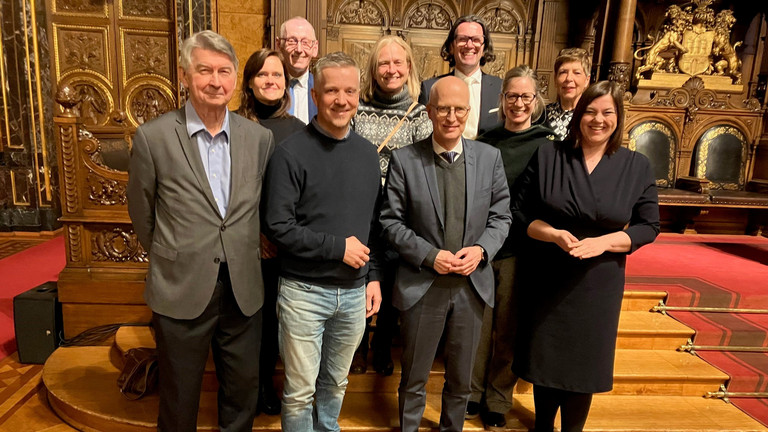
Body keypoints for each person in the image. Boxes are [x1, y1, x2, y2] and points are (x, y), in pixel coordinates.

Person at [127, 30, 275, 432]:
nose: (215, 80)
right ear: (184, 75)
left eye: (224, 71)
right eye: (204, 70)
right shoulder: (154, 137)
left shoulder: (259, 139)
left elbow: (261, 207)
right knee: (179, 397)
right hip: (181, 285)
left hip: (243, 288)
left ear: (235, 78)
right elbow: (142, 213)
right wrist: (176, 252)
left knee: (242, 391)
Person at [511, 81, 660, 432]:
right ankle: (543, 426)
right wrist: (552, 234)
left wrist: (605, 242)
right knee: (547, 359)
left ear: (619, 118)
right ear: (578, 116)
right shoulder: (549, 155)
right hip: (548, 271)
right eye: (591, 111)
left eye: (608, 112)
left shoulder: (636, 165)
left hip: (598, 281)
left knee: (582, 362)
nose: (598, 119)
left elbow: (649, 226)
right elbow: (518, 214)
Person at [380, 76, 512, 432]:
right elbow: (390, 222)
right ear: (429, 111)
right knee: (414, 377)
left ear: (468, 112)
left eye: (459, 109)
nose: (451, 116)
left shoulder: (489, 158)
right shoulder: (405, 160)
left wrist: (483, 250)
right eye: (443, 108)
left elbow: (502, 216)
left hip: (472, 286)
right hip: (423, 285)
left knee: (461, 379)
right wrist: (428, 255)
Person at [262, 51, 382, 432]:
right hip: (303, 291)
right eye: (331, 90)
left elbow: (373, 225)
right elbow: (277, 225)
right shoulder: (290, 153)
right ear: (315, 94)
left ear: (359, 95)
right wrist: (337, 248)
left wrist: (373, 274)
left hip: (353, 292)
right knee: (298, 391)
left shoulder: (367, 154)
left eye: (350, 91)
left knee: (335, 383)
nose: (341, 100)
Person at [468, 65, 555, 428]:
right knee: (477, 326)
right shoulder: (485, 141)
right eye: (511, 96)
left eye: (525, 96)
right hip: (483, 246)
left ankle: (499, 399)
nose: (518, 103)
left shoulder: (546, 145)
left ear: (535, 101)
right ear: (501, 100)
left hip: (521, 247)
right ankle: (471, 392)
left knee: (507, 328)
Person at [350, 34, 432, 376]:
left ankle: (382, 346)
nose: (391, 69)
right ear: (373, 69)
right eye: (383, 63)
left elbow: (427, 166)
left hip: (401, 214)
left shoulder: (419, 115)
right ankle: (356, 348)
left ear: (409, 67)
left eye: (398, 62)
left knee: (392, 282)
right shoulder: (358, 108)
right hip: (361, 211)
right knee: (359, 278)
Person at [236, 48, 305, 416]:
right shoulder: (232, 124)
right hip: (244, 243)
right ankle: (251, 389)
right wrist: (257, 235)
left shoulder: (297, 130)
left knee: (278, 322)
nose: (270, 81)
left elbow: (303, 191)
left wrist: (281, 235)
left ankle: (270, 385)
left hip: (287, 245)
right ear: (249, 81)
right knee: (249, 324)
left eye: (277, 75)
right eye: (262, 74)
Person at [419, 15, 502, 140]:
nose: (469, 45)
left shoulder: (500, 87)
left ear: (484, 47)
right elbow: (423, 136)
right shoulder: (429, 87)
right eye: (462, 39)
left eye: (476, 40)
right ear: (452, 46)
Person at [276, 16, 318, 124]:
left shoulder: (321, 90)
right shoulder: (269, 87)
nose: (299, 50)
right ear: (278, 45)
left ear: (315, 48)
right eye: (292, 41)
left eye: (305, 42)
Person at [544, 47, 591, 141]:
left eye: (576, 73)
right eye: (563, 72)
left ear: (586, 80)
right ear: (555, 79)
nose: (569, 78)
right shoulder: (542, 115)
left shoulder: (591, 116)